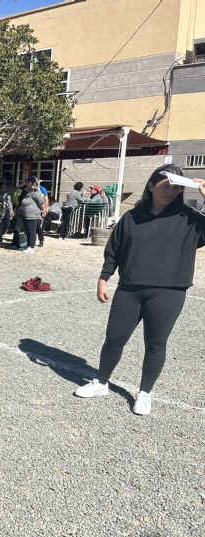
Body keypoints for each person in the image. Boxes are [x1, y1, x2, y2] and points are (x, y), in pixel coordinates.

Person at [74, 167, 205, 416]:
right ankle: (101, 382)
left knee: (155, 344)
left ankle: (144, 393)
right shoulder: (132, 217)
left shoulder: (190, 219)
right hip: (130, 289)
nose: (170, 192)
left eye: (176, 187)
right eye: (165, 185)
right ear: (151, 186)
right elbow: (114, 249)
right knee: (114, 338)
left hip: (169, 292)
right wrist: (104, 278)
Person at [20, 177, 45, 253]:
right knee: (27, 231)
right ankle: (28, 245)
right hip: (27, 214)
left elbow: (41, 202)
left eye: (29, 183)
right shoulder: (28, 191)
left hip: (33, 214)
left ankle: (31, 247)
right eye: (27, 182)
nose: (27, 184)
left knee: (31, 231)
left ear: (33, 183)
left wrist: (43, 211)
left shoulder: (35, 192)